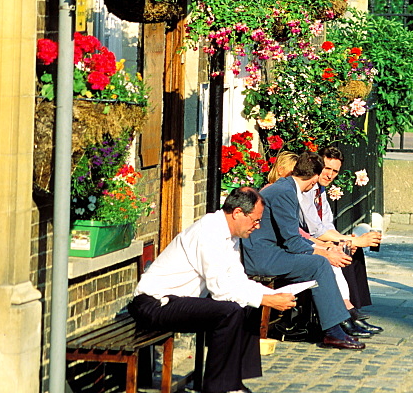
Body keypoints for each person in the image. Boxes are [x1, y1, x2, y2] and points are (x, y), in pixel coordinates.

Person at [128, 187, 295, 393]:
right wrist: (264, 299)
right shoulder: (209, 232)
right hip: (154, 303)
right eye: (255, 220)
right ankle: (218, 387)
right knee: (230, 310)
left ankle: (234, 382)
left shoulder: (229, 236)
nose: (257, 226)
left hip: (178, 300)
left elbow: (237, 280)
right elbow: (220, 289)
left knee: (247, 305)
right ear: (237, 213)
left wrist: (273, 295)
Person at [241, 151, 366, 350]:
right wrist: (326, 253)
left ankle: (337, 327)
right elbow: (292, 242)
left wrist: (324, 250)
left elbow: (294, 239)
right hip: (262, 257)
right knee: (319, 264)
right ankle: (334, 331)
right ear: (314, 177)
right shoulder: (284, 192)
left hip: (271, 251)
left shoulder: (285, 188)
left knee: (320, 262)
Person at [298, 145, 384, 338]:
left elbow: (328, 225)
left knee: (351, 249)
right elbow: (315, 230)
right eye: (327, 169)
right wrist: (349, 241)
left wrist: (347, 241)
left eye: (335, 171)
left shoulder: (320, 192)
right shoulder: (306, 191)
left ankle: (354, 310)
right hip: (307, 243)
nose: (329, 175)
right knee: (345, 248)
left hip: (317, 239)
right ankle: (347, 312)